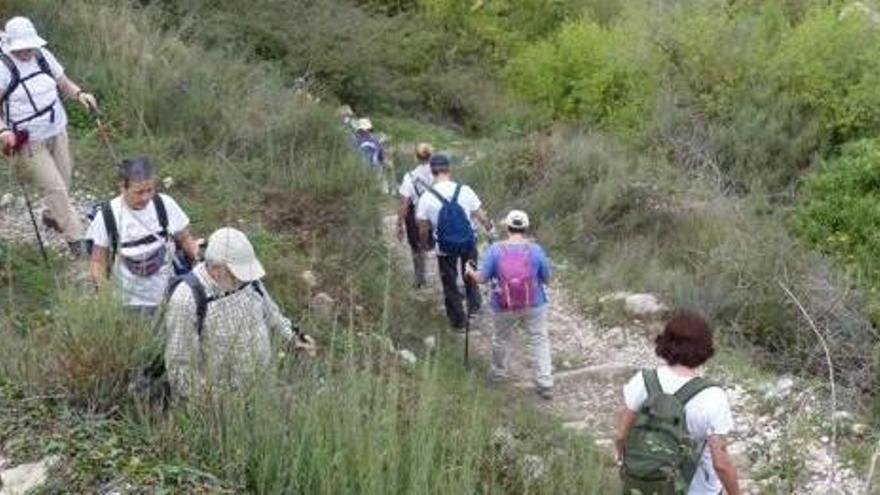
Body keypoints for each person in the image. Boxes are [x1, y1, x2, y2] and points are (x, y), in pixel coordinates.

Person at [164, 227, 316, 399]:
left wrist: (294, 338)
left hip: (263, 391)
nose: (245, 279)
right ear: (216, 268)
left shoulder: (249, 281)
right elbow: (179, 367)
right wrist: (216, 402)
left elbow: (272, 314)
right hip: (221, 407)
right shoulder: (187, 299)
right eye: (238, 274)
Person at [615, 310, 741, 495]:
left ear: (666, 342)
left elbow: (621, 435)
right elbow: (721, 464)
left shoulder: (644, 380)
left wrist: (629, 466)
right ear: (705, 348)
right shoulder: (713, 396)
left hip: (647, 487)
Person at [0, 16, 98, 255]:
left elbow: (63, 83)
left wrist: (81, 95)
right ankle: (77, 241)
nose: (26, 52)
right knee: (55, 189)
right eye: (21, 48)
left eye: (29, 46)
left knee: (64, 179)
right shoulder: (2, 68)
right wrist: (3, 131)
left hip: (57, 129)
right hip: (29, 141)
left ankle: (51, 216)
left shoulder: (43, 55)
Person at [86, 157, 200, 316]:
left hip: (170, 294)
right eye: (139, 192)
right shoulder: (108, 215)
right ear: (122, 188)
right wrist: (105, 298)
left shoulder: (165, 204)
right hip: (127, 302)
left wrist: (198, 257)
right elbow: (97, 261)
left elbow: (185, 238)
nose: (145, 198)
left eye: (150, 190)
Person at [465, 210, 554, 400]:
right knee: (539, 339)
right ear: (526, 228)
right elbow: (547, 278)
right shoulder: (536, 249)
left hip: (504, 304)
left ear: (507, 227)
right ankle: (545, 382)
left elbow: (481, 278)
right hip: (534, 303)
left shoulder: (495, 249)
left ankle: (498, 373)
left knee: (501, 339)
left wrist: (469, 271)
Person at [416, 153, 493, 332]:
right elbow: (481, 215)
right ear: (449, 169)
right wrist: (490, 228)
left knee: (449, 282)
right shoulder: (464, 190)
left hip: (444, 247)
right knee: (470, 272)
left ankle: (458, 322)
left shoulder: (426, 197)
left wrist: (424, 244)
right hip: (468, 242)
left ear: (431, 171)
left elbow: (422, 227)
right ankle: (474, 307)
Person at [397, 142, 434, 288]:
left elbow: (404, 203)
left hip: (416, 216)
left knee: (416, 247)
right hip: (434, 214)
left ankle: (420, 279)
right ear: (431, 156)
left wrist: (399, 224)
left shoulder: (409, 177)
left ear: (416, 157)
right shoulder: (437, 174)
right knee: (438, 246)